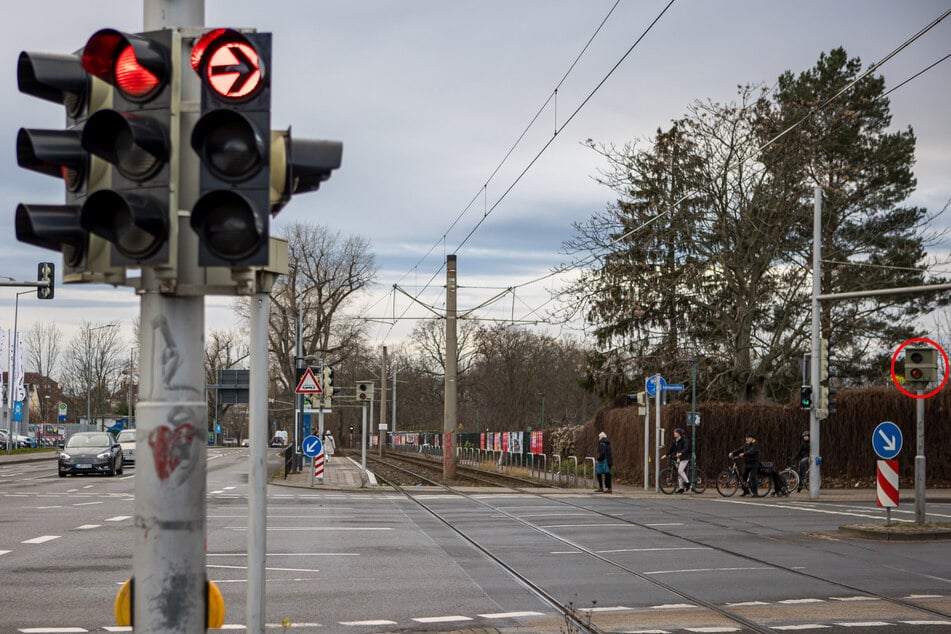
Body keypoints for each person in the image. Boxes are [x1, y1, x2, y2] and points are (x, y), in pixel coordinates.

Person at [663, 427, 691, 493]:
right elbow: (671, 449)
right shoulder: (675, 441)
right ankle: (681, 488)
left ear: (679, 433)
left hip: (684, 458)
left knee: (680, 471)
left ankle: (688, 483)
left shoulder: (684, 440)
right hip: (679, 458)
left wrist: (681, 452)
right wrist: (666, 455)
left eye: (675, 432)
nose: (674, 433)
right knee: (679, 473)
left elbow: (686, 448)